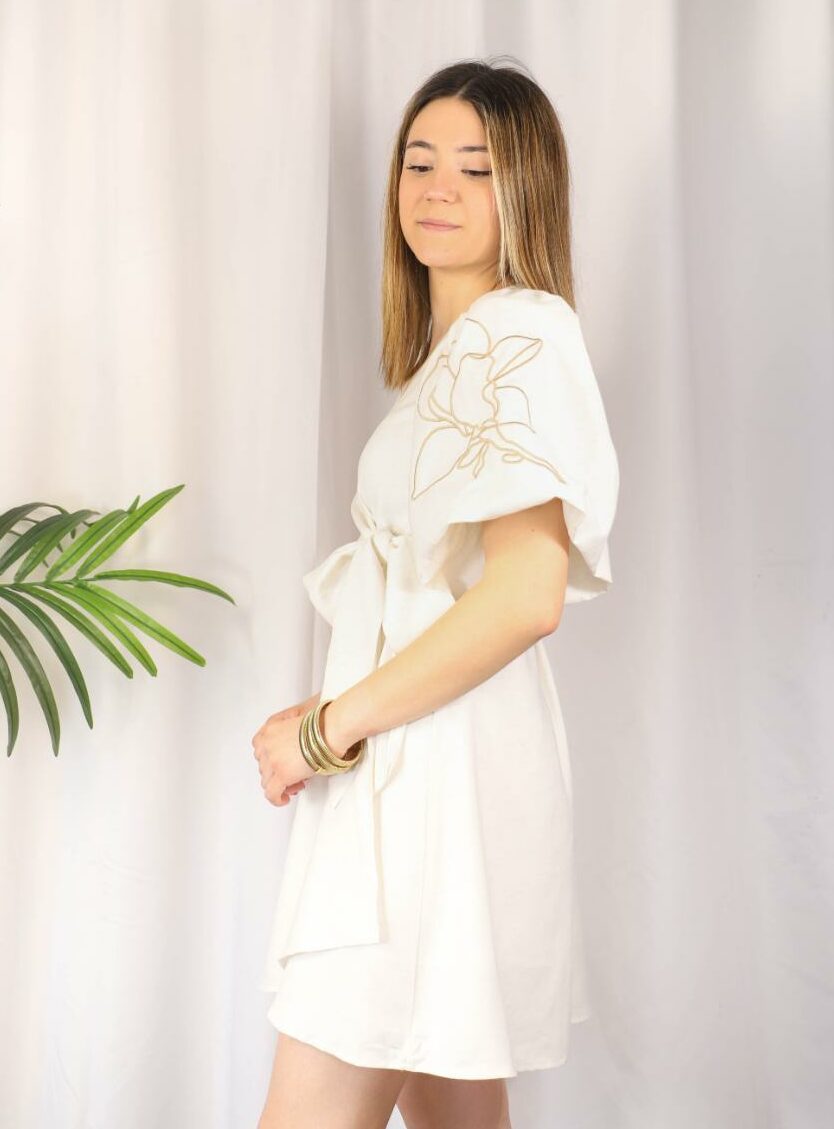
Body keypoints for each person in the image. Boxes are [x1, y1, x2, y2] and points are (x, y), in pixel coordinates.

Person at [252, 56, 619, 1129]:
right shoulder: (456, 357)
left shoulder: (521, 336)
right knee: (455, 1099)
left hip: (431, 791)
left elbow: (526, 595)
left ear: (527, 188)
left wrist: (323, 731)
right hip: (424, 773)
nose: (437, 188)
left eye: (477, 166)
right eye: (419, 161)